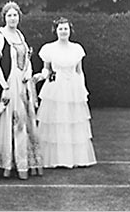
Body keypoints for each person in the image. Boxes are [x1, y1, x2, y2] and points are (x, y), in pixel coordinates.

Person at [0, 1, 43, 179]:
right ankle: (6, 163)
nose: (13, 18)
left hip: (23, 84)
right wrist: (5, 85)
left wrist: (28, 73)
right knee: (12, 120)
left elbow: (26, 59)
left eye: (15, 15)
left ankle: (24, 162)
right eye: (9, 15)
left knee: (25, 121)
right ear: (4, 17)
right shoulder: (0, 36)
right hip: (10, 83)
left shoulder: (19, 35)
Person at [33, 17, 97, 168]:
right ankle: (54, 158)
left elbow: (79, 71)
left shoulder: (77, 49)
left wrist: (82, 89)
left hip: (72, 87)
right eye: (60, 28)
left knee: (72, 120)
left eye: (66, 28)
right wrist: (40, 76)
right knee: (55, 120)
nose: (63, 31)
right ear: (55, 31)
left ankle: (73, 158)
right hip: (55, 87)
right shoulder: (49, 48)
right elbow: (46, 69)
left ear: (70, 31)